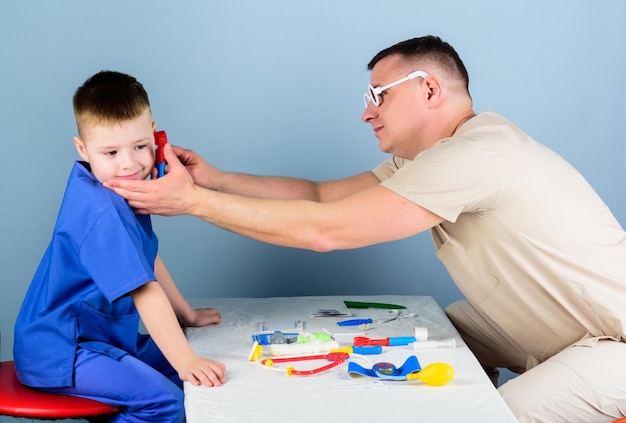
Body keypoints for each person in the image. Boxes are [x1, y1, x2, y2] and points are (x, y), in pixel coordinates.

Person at [105, 36, 626, 422]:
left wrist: (194, 203)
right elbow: (321, 196)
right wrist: (216, 181)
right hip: (557, 329)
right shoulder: (437, 155)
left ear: (427, 89)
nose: (366, 112)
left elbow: (327, 230)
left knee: (487, 414)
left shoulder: (475, 156)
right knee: (426, 340)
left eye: (378, 95)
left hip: (614, 347)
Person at [14, 70, 226, 423]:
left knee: (188, 373)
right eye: (110, 152)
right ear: (83, 149)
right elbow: (145, 290)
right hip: (62, 349)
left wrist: (185, 314)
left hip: (100, 338)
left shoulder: (123, 189)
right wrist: (186, 361)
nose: (129, 163)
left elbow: (147, 258)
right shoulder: (101, 209)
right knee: (167, 401)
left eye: (140, 146)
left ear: (156, 137)